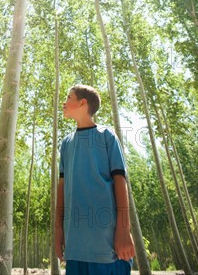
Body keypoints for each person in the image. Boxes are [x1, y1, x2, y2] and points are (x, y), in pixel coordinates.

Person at [55, 84, 135, 275]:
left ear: (83, 103)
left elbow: (120, 181)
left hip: (107, 244)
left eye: (69, 98)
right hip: (75, 246)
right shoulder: (66, 143)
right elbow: (62, 188)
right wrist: (58, 230)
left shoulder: (107, 136)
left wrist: (124, 229)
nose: (64, 103)